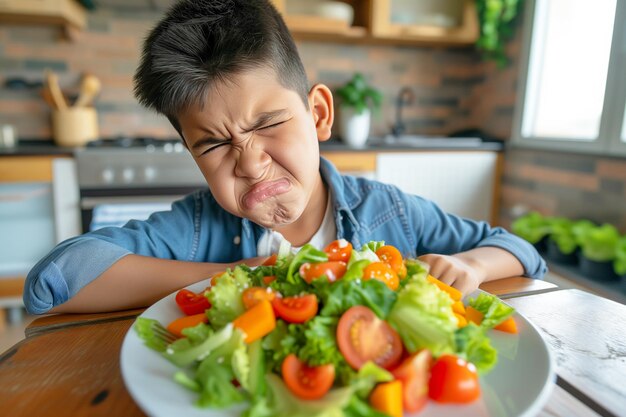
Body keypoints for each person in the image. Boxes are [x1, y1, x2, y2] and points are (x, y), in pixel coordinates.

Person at [23, 0, 546, 315]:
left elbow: (519, 250)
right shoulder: (200, 227)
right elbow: (54, 282)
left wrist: (470, 265)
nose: (248, 164)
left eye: (268, 124)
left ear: (318, 114)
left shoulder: (390, 212)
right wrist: (236, 274)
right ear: (192, 154)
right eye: (213, 143)